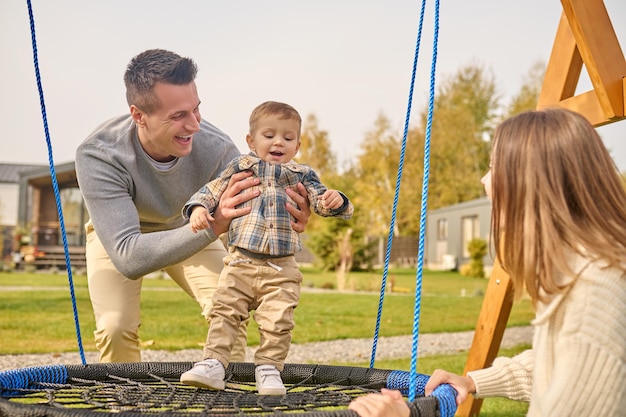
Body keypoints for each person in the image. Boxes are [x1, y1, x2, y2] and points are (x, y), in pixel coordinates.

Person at [348, 108, 626, 416]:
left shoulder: (593, 296)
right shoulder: (587, 271)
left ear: (528, 182)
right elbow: (558, 364)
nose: (484, 179)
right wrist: (472, 381)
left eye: (494, 166)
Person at [74, 50, 311, 363]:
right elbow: (129, 257)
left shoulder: (218, 148)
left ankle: (228, 404)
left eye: (196, 110)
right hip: (123, 238)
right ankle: (125, 405)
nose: (195, 125)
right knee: (115, 327)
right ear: (139, 115)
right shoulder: (100, 154)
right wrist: (215, 224)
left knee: (229, 308)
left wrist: (291, 211)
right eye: (178, 116)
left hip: (193, 225)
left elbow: (253, 205)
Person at [179, 101, 354, 395]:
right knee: (224, 311)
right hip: (240, 262)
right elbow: (212, 191)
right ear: (251, 141)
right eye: (269, 135)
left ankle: (269, 368)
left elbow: (320, 201)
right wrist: (198, 208)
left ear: (297, 145)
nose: (278, 142)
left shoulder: (302, 175)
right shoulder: (240, 167)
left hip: (281, 267)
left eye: (287, 138)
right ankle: (213, 363)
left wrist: (336, 201)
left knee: (278, 320)